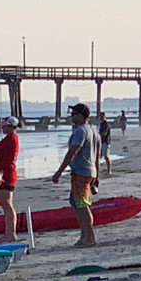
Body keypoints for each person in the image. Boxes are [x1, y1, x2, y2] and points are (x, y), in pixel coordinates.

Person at [51, 103, 100, 248]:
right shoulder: (93, 131)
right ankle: (84, 235)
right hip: (89, 171)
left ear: (80, 115)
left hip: (81, 172)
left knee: (81, 205)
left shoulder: (81, 131)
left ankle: (89, 237)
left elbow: (72, 152)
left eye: (74, 114)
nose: (71, 117)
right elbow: (97, 156)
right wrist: (97, 175)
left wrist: (59, 172)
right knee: (75, 202)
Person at [0, 115, 21, 242]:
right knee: (6, 205)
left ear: (9, 126)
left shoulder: (11, 139)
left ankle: (11, 233)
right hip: (6, 173)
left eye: (4, 126)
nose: (2, 128)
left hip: (7, 174)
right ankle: (9, 232)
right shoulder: (11, 139)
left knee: (7, 205)